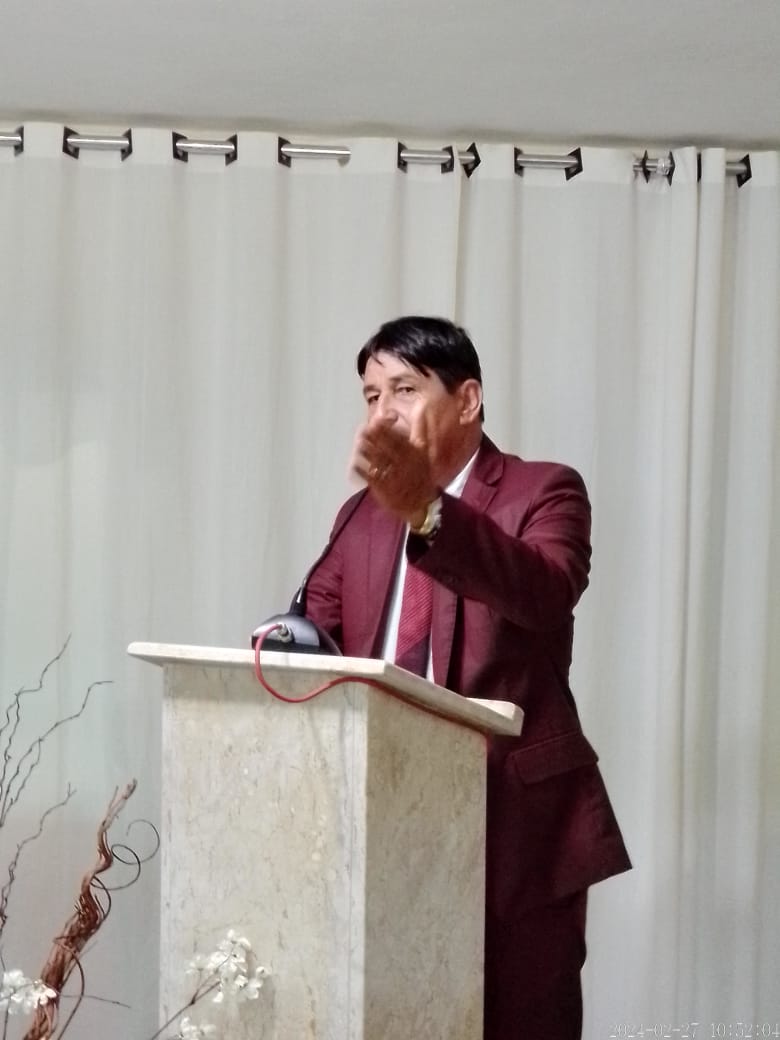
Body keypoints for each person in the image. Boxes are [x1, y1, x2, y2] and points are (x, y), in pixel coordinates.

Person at [304, 316, 631, 1039]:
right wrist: (278, 645)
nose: (382, 413)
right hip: (385, 823)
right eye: (370, 396)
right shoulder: (360, 515)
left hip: (516, 834)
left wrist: (427, 509)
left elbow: (544, 593)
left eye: (404, 390)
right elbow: (314, 631)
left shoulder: (544, 489)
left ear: (468, 399)